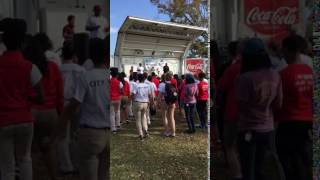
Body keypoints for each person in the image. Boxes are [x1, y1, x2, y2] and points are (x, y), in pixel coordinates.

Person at [52, 38, 110, 180]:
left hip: (91, 134)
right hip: (110, 133)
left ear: (90, 56)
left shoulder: (86, 76)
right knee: (105, 175)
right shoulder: (112, 77)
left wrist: (56, 131)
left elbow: (72, 107)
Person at [0, 18, 44, 180]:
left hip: (3, 121)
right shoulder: (29, 66)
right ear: (22, 42)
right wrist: (26, 98)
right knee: (25, 159)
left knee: (6, 165)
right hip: (25, 119)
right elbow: (41, 97)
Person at [235, 38, 285, 180]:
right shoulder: (275, 75)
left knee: (247, 169)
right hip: (268, 128)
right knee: (260, 168)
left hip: (247, 129)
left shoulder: (244, 78)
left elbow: (241, 106)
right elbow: (278, 104)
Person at [25, 34, 64, 180]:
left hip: (31, 112)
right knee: (50, 149)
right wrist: (60, 113)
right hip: (50, 112)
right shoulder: (53, 67)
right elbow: (60, 93)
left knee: (31, 152)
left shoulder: (27, 67)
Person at [275, 35, 313, 180]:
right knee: (304, 158)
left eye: (283, 51)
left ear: (287, 50)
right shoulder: (311, 72)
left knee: (288, 161)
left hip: (288, 122)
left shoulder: (283, 74)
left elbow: (278, 101)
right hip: (308, 121)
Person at [217, 40, 242, 180]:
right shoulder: (263, 70)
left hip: (232, 112)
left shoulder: (232, 68)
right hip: (256, 116)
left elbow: (221, 87)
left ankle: (237, 173)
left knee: (230, 145)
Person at [58, 42, 85, 174]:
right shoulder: (81, 70)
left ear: (63, 55)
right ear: (74, 56)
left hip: (62, 103)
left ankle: (66, 165)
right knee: (76, 134)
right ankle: (77, 163)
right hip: (78, 103)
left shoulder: (59, 68)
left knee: (63, 136)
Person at [132, 74, 153, 140]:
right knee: (143, 117)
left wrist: (133, 100)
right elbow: (150, 95)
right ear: (144, 79)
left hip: (138, 102)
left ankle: (141, 134)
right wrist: (150, 102)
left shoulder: (137, 86)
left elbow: (133, 94)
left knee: (138, 119)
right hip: (145, 103)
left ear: (138, 79)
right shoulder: (148, 86)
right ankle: (146, 131)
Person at [161, 72, 178, 137]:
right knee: (171, 117)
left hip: (166, 102)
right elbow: (176, 94)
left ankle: (167, 131)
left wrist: (158, 102)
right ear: (171, 77)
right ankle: (173, 132)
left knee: (165, 117)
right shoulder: (173, 84)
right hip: (173, 102)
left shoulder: (163, 84)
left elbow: (160, 94)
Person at [110, 67, 123, 133]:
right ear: (117, 75)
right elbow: (121, 90)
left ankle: (113, 128)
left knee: (112, 114)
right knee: (117, 111)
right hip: (117, 99)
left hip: (110, 99)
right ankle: (118, 125)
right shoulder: (119, 82)